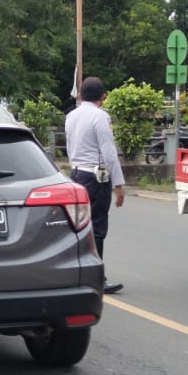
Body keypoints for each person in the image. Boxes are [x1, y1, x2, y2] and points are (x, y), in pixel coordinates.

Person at [64, 76, 126, 295]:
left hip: (77, 173)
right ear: (103, 97)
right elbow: (109, 153)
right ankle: (97, 277)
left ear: (80, 95)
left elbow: (70, 147)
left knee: (79, 225)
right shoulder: (100, 117)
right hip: (96, 177)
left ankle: (77, 273)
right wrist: (118, 184)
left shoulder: (71, 116)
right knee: (97, 227)